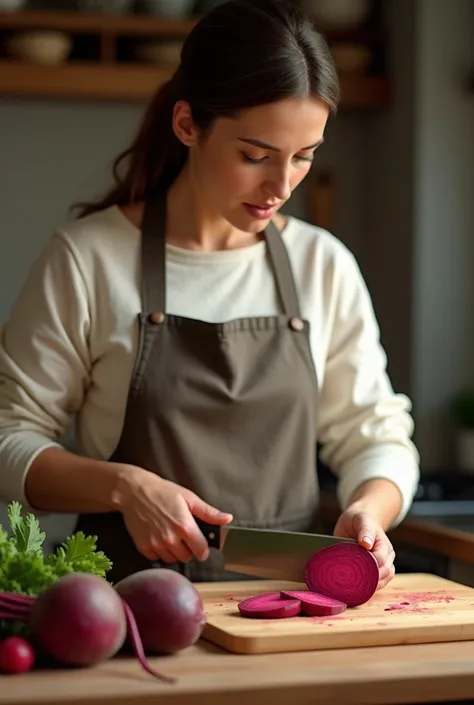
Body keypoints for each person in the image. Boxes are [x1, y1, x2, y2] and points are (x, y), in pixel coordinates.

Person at [0, 0, 419, 589]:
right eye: (256, 156)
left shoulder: (321, 265)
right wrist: (125, 485)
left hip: (288, 607)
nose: (281, 186)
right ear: (187, 125)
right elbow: (8, 438)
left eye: (304, 157)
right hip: (130, 614)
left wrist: (370, 510)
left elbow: (376, 434)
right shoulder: (87, 259)